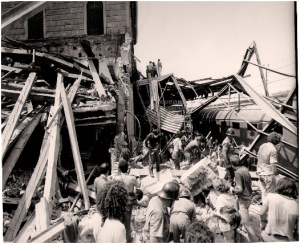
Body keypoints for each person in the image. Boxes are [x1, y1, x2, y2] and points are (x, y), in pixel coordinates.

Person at [260, 177, 299, 242]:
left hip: (268, 236)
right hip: (286, 240)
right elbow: (298, 231)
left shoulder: (270, 196)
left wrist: (263, 225)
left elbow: (261, 213)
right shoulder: (296, 205)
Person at [230, 155, 258, 242]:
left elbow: (239, 189)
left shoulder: (238, 172)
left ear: (232, 164)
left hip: (244, 199)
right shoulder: (245, 169)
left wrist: (232, 190)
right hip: (248, 197)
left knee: (247, 224)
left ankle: (255, 242)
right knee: (241, 220)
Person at [114, 159, 141, 242]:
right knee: (127, 223)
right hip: (129, 204)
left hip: (119, 203)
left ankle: (120, 239)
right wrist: (138, 176)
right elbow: (139, 185)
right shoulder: (132, 178)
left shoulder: (116, 178)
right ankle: (128, 239)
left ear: (119, 168)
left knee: (120, 222)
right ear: (128, 168)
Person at [257, 131, 281, 201]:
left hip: (260, 173)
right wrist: (276, 176)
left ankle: (264, 209)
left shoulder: (262, 146)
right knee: (270, 195)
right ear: (277, 141)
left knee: (264, 193)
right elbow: (273, 165)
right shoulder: (273, 149)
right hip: (268, 174)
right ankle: (268, 210)